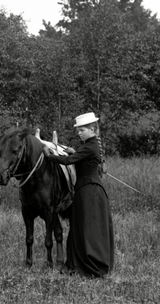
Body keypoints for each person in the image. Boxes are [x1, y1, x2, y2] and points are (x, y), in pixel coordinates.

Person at [41, 112, 115, 277]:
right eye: (78, 130)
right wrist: (73, 151)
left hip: (89, 192)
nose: (78, 133)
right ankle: (80, 261)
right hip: (87, 190)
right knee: (82, 225)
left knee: (87, 227)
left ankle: (90, 263)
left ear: (92, 130)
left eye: (82, 130)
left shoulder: (90, 146)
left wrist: (50, 156)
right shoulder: (90, 145)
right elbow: (81, 158)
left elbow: (69, 161)